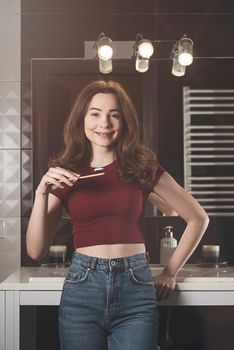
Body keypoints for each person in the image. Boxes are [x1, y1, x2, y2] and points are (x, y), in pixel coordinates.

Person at [26, 80, 209, 350]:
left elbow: (198, 217)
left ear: (124, 121)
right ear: (81, 118)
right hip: (82, 288)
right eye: (95, 113)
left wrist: (170, 272)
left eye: (114, 114)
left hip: (135, 286)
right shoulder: (66, 173)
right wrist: (42, 191)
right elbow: (35, 250)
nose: (105, 123)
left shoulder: (141, 167)